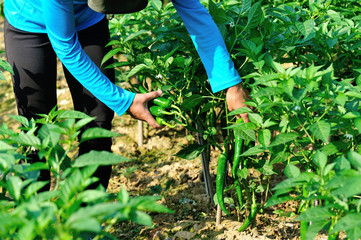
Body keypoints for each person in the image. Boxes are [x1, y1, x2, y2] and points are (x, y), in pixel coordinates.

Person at [3, 0, 250, 190]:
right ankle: (33, 222)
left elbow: (195, 13)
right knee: (35, 129)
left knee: (97, 124)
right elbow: (65, 45)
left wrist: (231, 84)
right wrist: (124, 100)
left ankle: (85, 225)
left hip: (87, 20)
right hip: (28, 20)